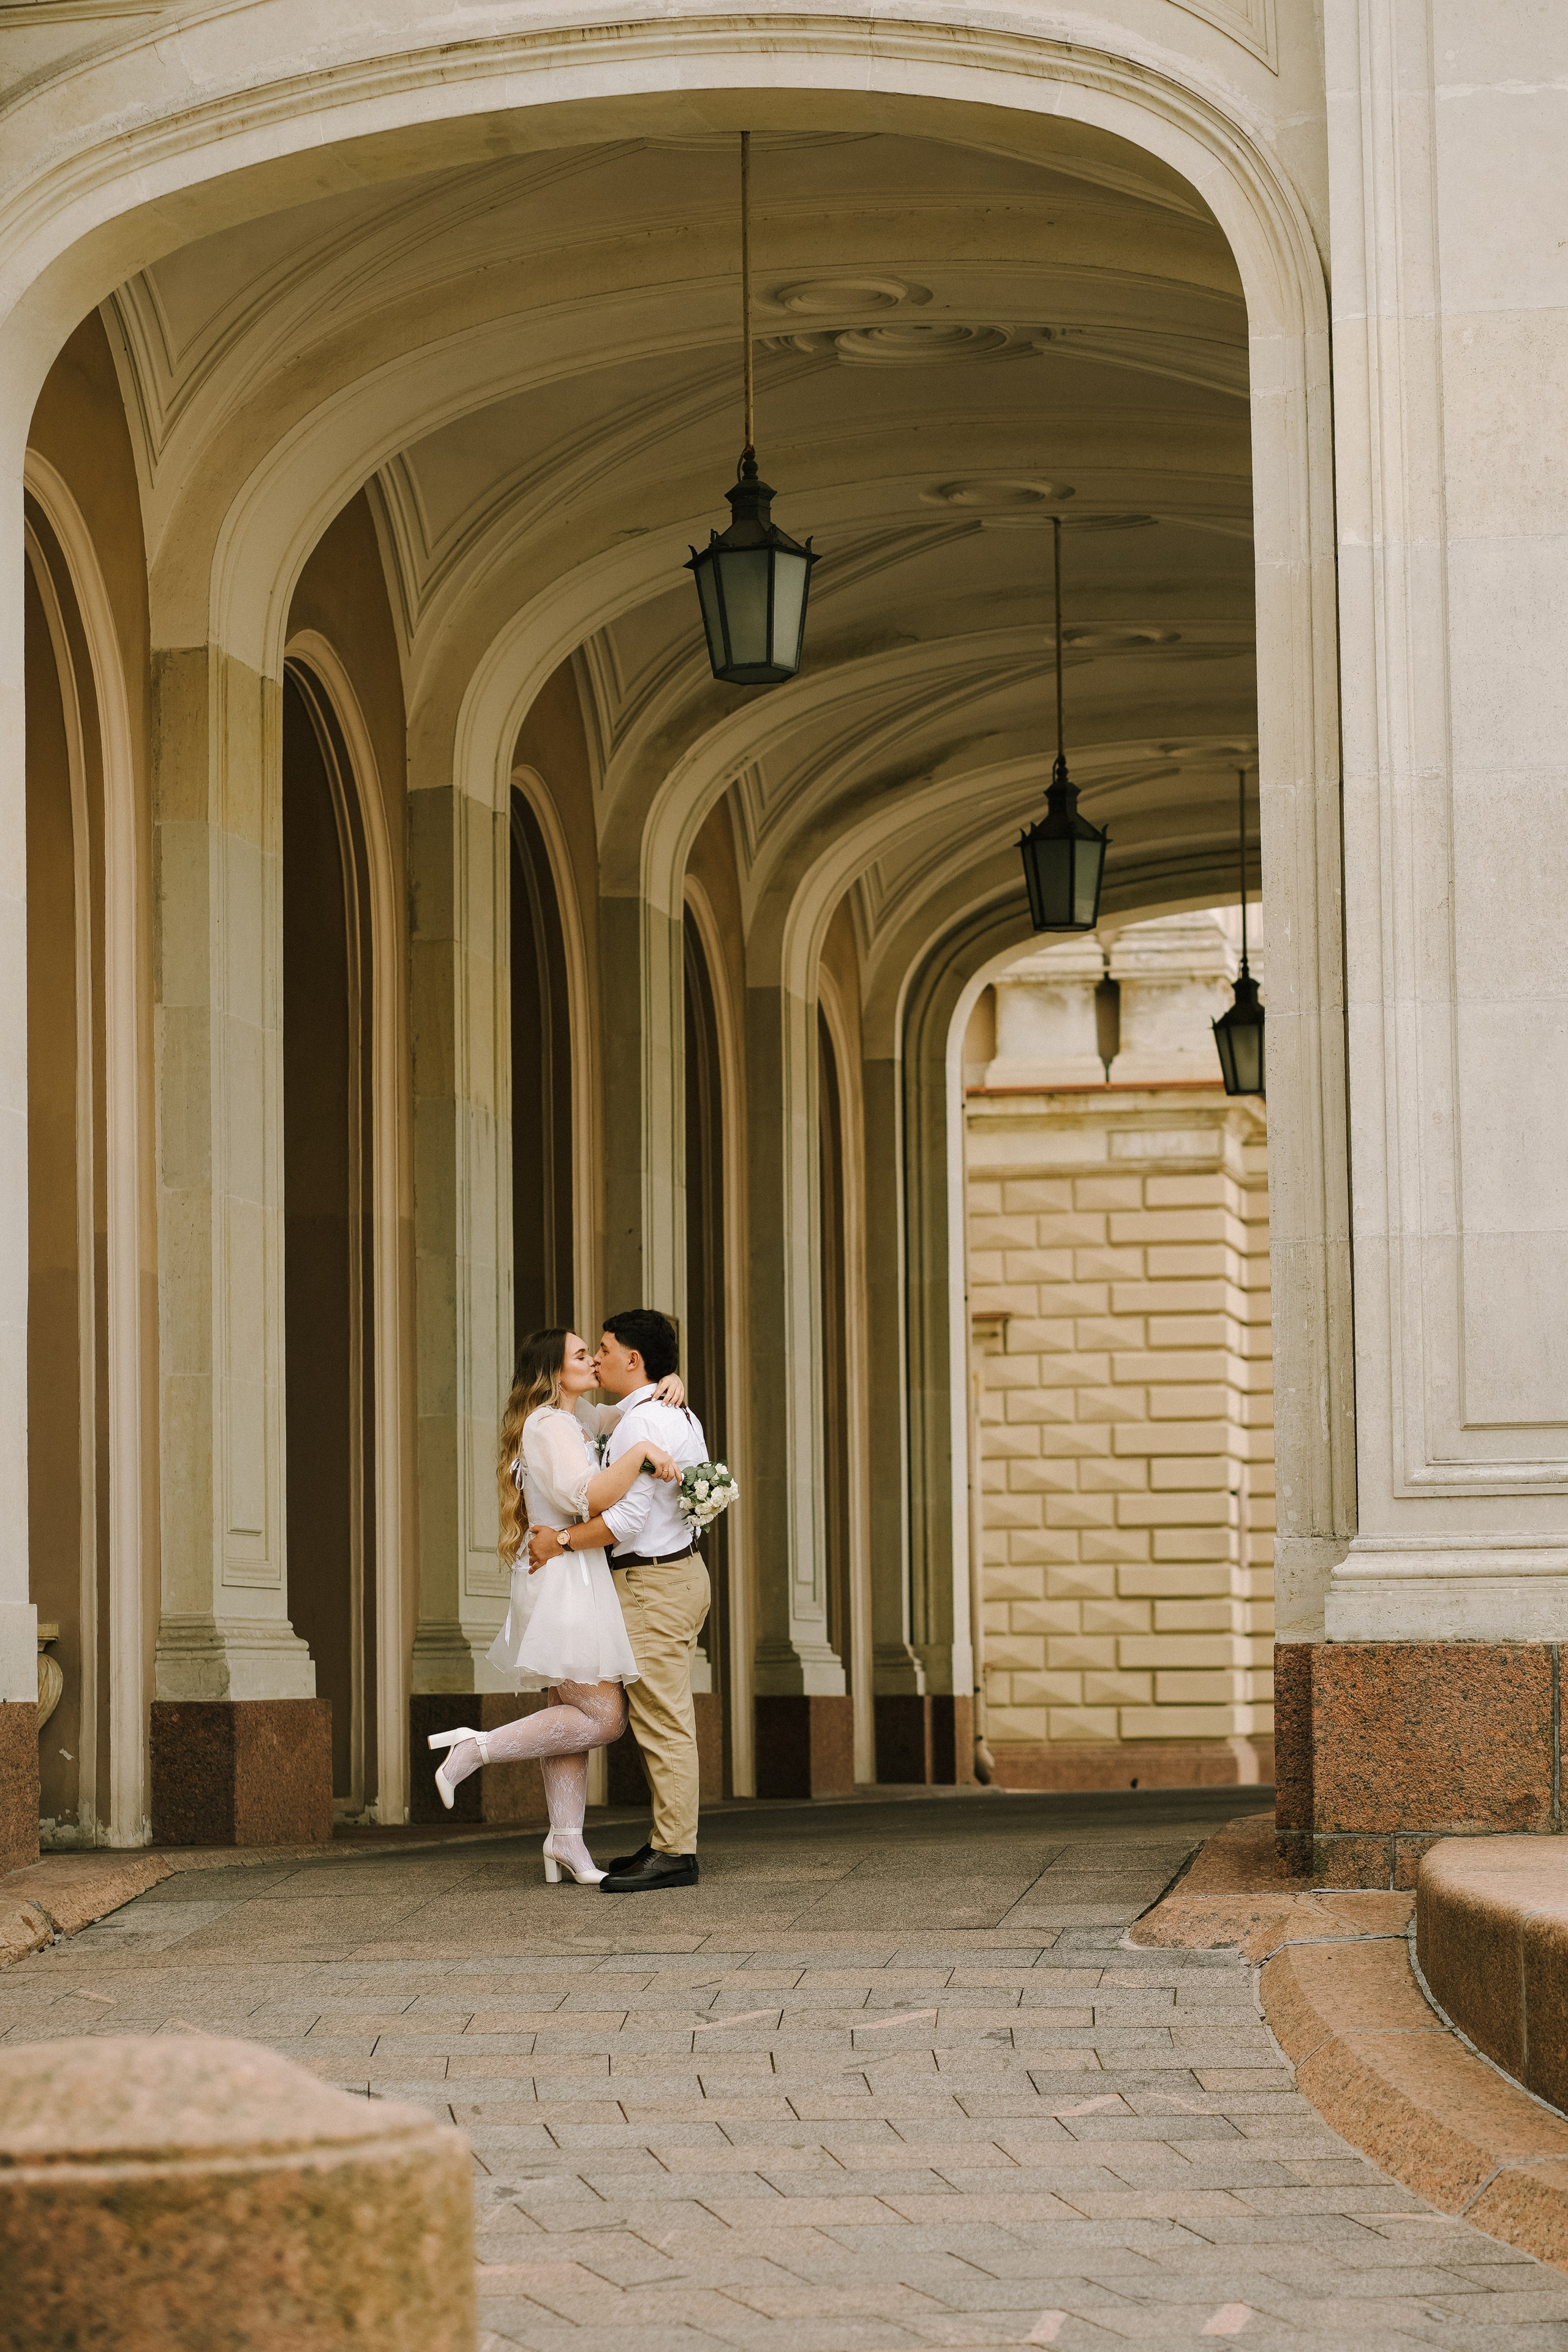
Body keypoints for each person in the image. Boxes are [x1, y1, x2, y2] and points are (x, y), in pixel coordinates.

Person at [425, 1327, 680, 1885]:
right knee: (604, 1718)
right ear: (553, 1373)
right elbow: (585, 1496)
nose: (592, 1362)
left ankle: (565, 1839)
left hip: (568, 1574)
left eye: (594, 1352)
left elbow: (624, 1411)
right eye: (581, 1356)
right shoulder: (548, 1425)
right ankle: (478, 1747)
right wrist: (640, 1454)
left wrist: (666, 1381)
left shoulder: (574, 1418)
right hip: (565, 1579)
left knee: (570, 1717)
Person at [528, 1307, 710, 1890]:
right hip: (675, 1575)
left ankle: (676, 1853)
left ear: (633, 1359)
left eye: (604, 1348)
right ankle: (662, 1840)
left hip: (652, 1582)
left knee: (661, 1720)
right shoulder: (664, 1410)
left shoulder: (640, 1426)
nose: (597, 1357)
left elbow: (627, 1519)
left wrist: (559, 1540)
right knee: (654, 1714)